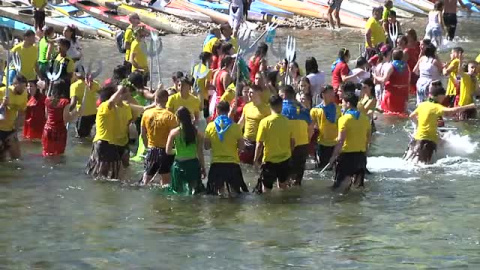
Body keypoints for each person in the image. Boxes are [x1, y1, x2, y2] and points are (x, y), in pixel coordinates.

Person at [406, 83, 475, 164]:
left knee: (443, 141)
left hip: (416, 140)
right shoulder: (436, 107)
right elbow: (452, 111)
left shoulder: (422, 105)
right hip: (426, 143)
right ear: (439, 96)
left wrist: (418, 125)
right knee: (422, 168)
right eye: (443, 96)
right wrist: (469, 106)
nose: (443, 99)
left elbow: (411, 116)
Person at [328, 92, 371, 192]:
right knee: (358, 188)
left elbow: (340, 140)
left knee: (339, 188)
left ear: (348, 104)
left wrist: (333, 156)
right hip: (361, 156)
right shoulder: (365, 119)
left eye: (342, 102)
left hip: (347, 157)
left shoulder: (344, 119)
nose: (341, 104)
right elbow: (368, 139)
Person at [204, 101, 249, 195]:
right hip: (232, 165)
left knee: (217, 194)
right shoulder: (235, 127)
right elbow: (242, 147)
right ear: (228, 110)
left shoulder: (210, 126)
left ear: (217, 111)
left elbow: (206, 147)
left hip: (216, 165)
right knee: (235, 193)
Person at [253, 95, 294, 193]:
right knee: (283, 185)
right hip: (285, 159)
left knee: (267, 189)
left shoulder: (265, 122)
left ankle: (269, 207)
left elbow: (259, 144)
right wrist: (289, 153)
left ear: (269, 106)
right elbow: (292, 142)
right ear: (281, 106)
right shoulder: (287, 121)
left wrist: (255, 160)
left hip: (269, 161)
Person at [85, 84, 125, 179]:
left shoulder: (112, 108)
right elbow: (111, 102)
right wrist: (119, 90)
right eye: (118, 95)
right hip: (103, 143)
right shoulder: (105, 106)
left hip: (107, 143)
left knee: (112, 172)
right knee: (103, 174)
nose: (121, 97)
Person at [140, 90, 178, 186]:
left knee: (145, 181)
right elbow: (175, 136)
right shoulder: (171, 116)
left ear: (155, 99)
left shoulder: (146, 114)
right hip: (166, 151)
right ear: (167, 99)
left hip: (151, 149)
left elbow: (143, 134)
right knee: (165, 182)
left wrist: (146, 146)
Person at [166, 106, 206, 194]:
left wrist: (178, 151)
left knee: (177, 193)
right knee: (195, 192)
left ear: (178, 119)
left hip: (179, 166)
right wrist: (203, 167)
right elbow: (200, 152)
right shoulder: (198, 133)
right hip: (193, 165)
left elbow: (168, 151)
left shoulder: (173, 133)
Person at [280, 85, 312, 186]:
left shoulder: (280, 108)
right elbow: (311, 125)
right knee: (297, 178)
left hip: (287, 145)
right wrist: (308, 139)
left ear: (284, 95)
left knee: (285, 177)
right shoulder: (303, 108)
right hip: (303, 144)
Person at [42, 80, 81, 157]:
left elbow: (47, 116)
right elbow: (66, 119)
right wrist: (76, 113)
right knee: (58, 155)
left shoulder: (47, 100)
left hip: (47, 130)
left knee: (47, 154)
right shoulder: (64, 102)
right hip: (59, 131)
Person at [310, 85, 341, 169]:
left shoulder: (338, 109)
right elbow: (311, 128)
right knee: (322, 167)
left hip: (335, 143)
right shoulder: (315, 110)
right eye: (330, 93)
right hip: (321, 143)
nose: (333, 95)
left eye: (333, 93)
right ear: (323, 95)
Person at [237, 85, 270, 164]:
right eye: (248, 92)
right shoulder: (247, 106)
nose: (248, 94)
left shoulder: (266, 109)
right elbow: (241, 122)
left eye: (251, 92)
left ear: (259, 93)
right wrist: (233, 132)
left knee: (257, 166)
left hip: (259, 143)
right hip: (246, 141)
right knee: (243, 164)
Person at [0, 75, 28, 161]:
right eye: (21, 87)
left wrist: (15, 131)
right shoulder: (3, 92)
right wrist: (3, 105)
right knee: (2, 160)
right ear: (15, 84)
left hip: (10, 130)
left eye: (25, 86)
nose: (23, 89)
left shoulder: (24, 95)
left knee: (17, 159)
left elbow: (22, 114)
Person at [375, 49, 410, 116]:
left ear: (392, 56)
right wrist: (407, 96)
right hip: (402, 94)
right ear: (402, 57)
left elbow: (384, 80)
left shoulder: (391, 66)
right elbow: (408, 82)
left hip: (391, 94)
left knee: (388, 115)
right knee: (400, 115)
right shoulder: (406, 66)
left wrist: (376, 77)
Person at [70, 67, 101, 138]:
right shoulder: (93, 83)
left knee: (81, 138)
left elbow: (73, 103)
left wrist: (66, 113)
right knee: (92, 136)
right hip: (94, 114)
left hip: (82, 116)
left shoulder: (74, 86)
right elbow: (103, 94)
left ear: (75, 74)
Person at [192, 52, 213, 118]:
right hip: (203, 97)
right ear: (207, 60)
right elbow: (206, 86)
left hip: (194, 95)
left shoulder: (196, 67)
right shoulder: (208, 71)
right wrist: (215, 87)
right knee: (205, 117)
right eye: (211, 59)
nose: (212, 61)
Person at [405, 29, 421, 94]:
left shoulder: (419, 45)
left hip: (419, 69)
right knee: (413, 91)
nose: (406, 38)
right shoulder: (406, 49)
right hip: (411, 72)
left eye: (407, 37)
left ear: (413, 36)